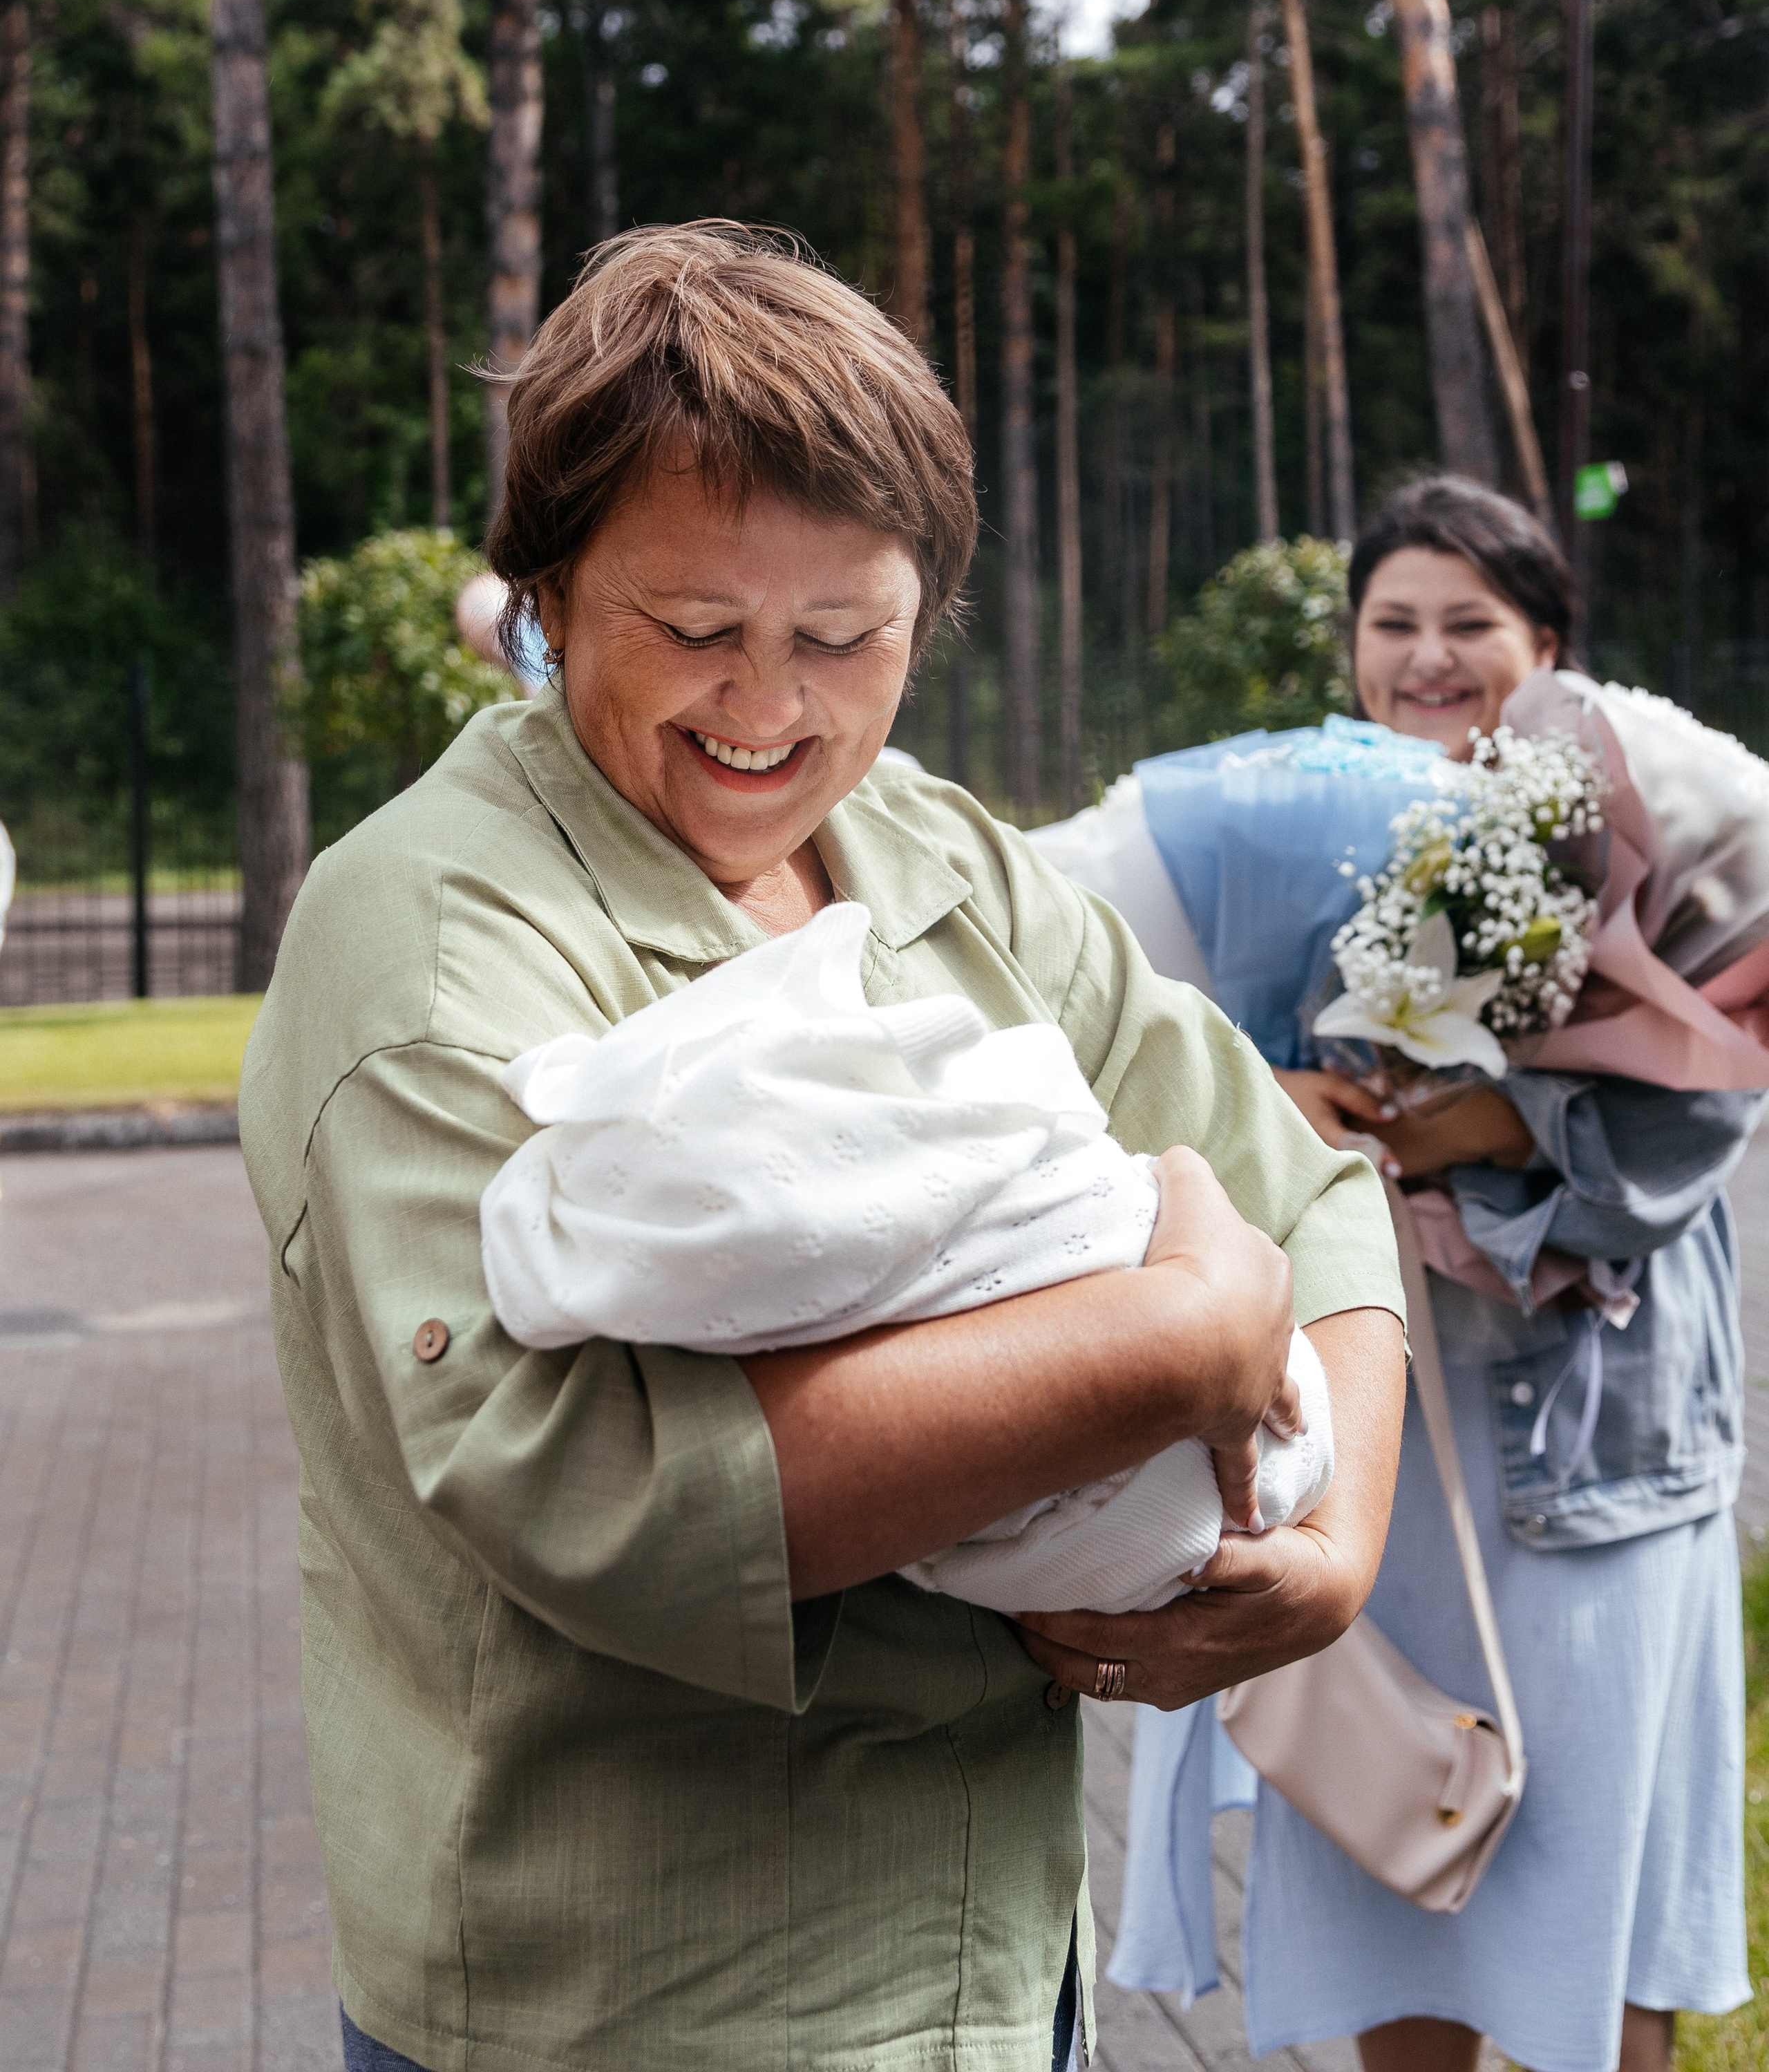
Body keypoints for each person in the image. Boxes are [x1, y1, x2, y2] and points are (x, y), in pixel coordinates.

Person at [240, 221, 1406, 2072]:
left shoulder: (937, 854)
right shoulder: (436, 941)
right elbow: (585, 1481)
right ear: (540, 591)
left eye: (843, 638)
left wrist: (1336, 1545)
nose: (770, 709)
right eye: (695, 634)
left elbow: (1303, 1184)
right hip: (648, 2003)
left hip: (1001, 1964)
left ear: (929, 610)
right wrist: (1166, 1346)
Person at [1099, 475, 1757, 2072]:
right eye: (1392, 624)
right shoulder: (1301, 845)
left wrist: (1494, 1119)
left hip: (1598, 1463)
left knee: (1594, 1900)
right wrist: (1283, 1106)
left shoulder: (1659, 846)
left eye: (1469, 623)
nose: (1428, 657)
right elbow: (1187, 1089)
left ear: (1546, 648)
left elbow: (1691, 1119)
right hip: (1389, 1447)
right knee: (1400, 1847)